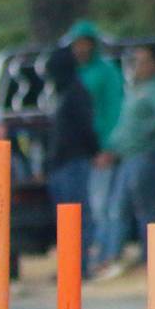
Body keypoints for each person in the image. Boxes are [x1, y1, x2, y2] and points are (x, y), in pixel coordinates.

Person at [93, 43, 155, 278]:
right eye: (135, 61)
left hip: (146, 154)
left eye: (144, 61)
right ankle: (112, 256)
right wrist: (113, 147)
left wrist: (139, 137)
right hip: (126, 156)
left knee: (144, 207)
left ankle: (152, 258)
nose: (138, 66)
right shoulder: (135, 88)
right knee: (118, 207)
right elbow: (125, 126)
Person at [65, 20, 123, 261]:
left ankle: (104, 255)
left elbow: (114, 109)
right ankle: (85, 257)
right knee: (81, 207)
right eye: (77, 44)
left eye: (85, 43)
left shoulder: (106, 72)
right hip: (78, 152)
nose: (81, 49)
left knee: (103, 205)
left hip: (101, 150)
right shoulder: (74, 73)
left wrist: (109, 147)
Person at [44, 46, 98, 277]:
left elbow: (85, 128)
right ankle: (69, 266)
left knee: (76, 218)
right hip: (61, 165)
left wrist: (94, 150)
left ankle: (79, 267)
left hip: (74, 162)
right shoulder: (64, 93)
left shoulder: (76, 93)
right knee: (65, 221)